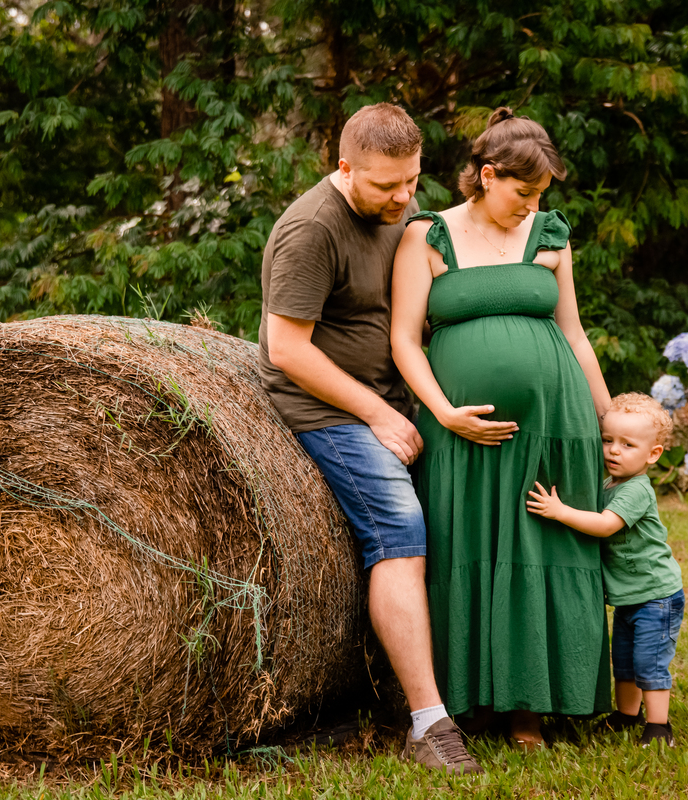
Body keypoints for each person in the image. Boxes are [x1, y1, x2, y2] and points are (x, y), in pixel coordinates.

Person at [258, 102, 482, 774]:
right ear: (345, 167)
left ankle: (480, 688)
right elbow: (286, 349)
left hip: (394, 400)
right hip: (326, 409)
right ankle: (429, 724)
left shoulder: (398, 215)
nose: (404, 198)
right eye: (387, 185)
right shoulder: (312, 229)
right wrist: (378, 415)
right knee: (399, 527)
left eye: (413, 180)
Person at [390, 107, 612, 748]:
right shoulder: (427, 236)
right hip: (461, 431)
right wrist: (443, 412)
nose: (532, 205)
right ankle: (469, 701)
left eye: (540, 194)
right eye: (523, 191)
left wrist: (605, 418)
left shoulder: (550, 235)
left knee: (542, 545)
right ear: (487, 176)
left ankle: (532, 707)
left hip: (553, 424)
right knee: (467, 545)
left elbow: (574, 334)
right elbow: (404, 339)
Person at [526, 392, 685, 747]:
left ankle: (659, 727)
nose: (613, 451)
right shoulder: (609, 485)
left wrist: (560, 511)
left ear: (653, 454)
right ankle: (627, 715)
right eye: (607, 440)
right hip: (631, 597)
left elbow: (605, 525)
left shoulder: (636, 490)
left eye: (628, 444)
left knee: (649, 663)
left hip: (656, 597)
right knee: (624, 661)